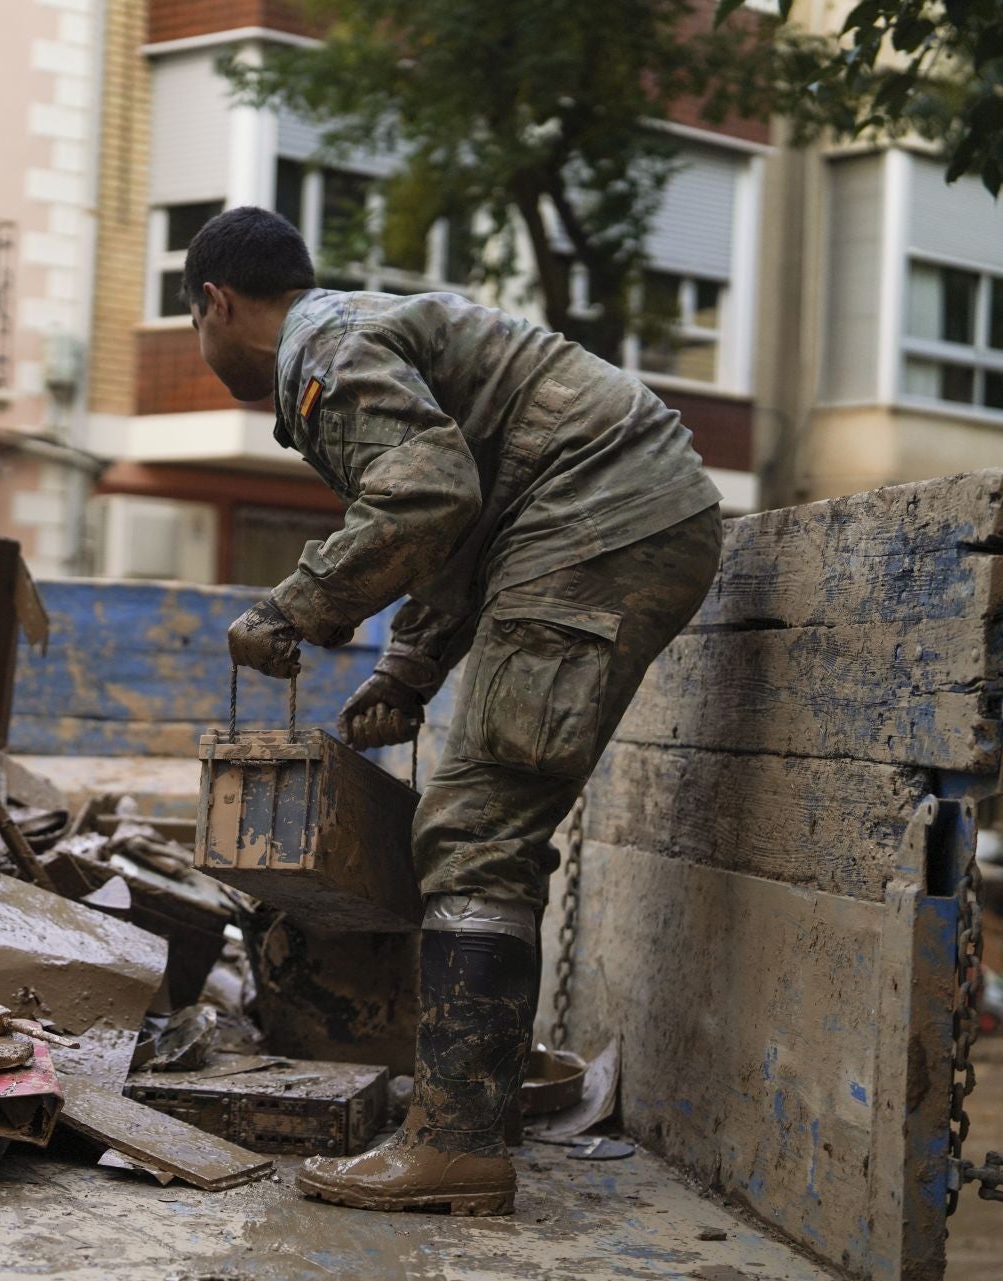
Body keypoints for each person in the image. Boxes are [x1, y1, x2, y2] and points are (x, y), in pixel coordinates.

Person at [190, 206, 724, 1216]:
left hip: (600, 520)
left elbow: (426, 495)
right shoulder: (354, 332)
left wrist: (298, 604)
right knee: (480, 820)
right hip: (599, 512)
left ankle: (459, 1143)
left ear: (216, 303)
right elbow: (462, 513)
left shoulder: (327, 353)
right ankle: (466, 1123)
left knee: (477, 827)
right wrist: (406, 673)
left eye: (195, 323)